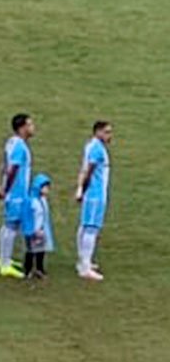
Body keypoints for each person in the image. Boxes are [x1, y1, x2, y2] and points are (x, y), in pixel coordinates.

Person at [0, 113, 35, 279]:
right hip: (17, 194)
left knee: (9, 226)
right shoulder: (19, 146)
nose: (33, 127)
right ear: (22, 128)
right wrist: (6, 188)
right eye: (30, 124)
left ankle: (4, 259)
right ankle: (4, 263)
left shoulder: (11, 143)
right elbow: (12, 169)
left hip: (14, 192)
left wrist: (2, 185)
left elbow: (4, 165)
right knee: (11, 227)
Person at [75, 120, 112, 281]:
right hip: (95, 194)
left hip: (92, 193)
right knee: (91, 228)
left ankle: (84, 261)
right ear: (98, 132)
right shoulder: (97, 148)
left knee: (85, 226)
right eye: (107, 132)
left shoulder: (91, 145)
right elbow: (88, 170)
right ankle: (85, 267)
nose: (110, 136)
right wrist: (83, 189)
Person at [25, 174, 54, 279]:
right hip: (33, 231)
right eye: (45, 187)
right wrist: (31, 230)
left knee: (41, 251)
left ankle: (39, 269)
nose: (47, 190)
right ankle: (28, 270)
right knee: (31, 251)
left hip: (42, 230)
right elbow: (28, 216)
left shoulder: (43, 200)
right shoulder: (32, 201)